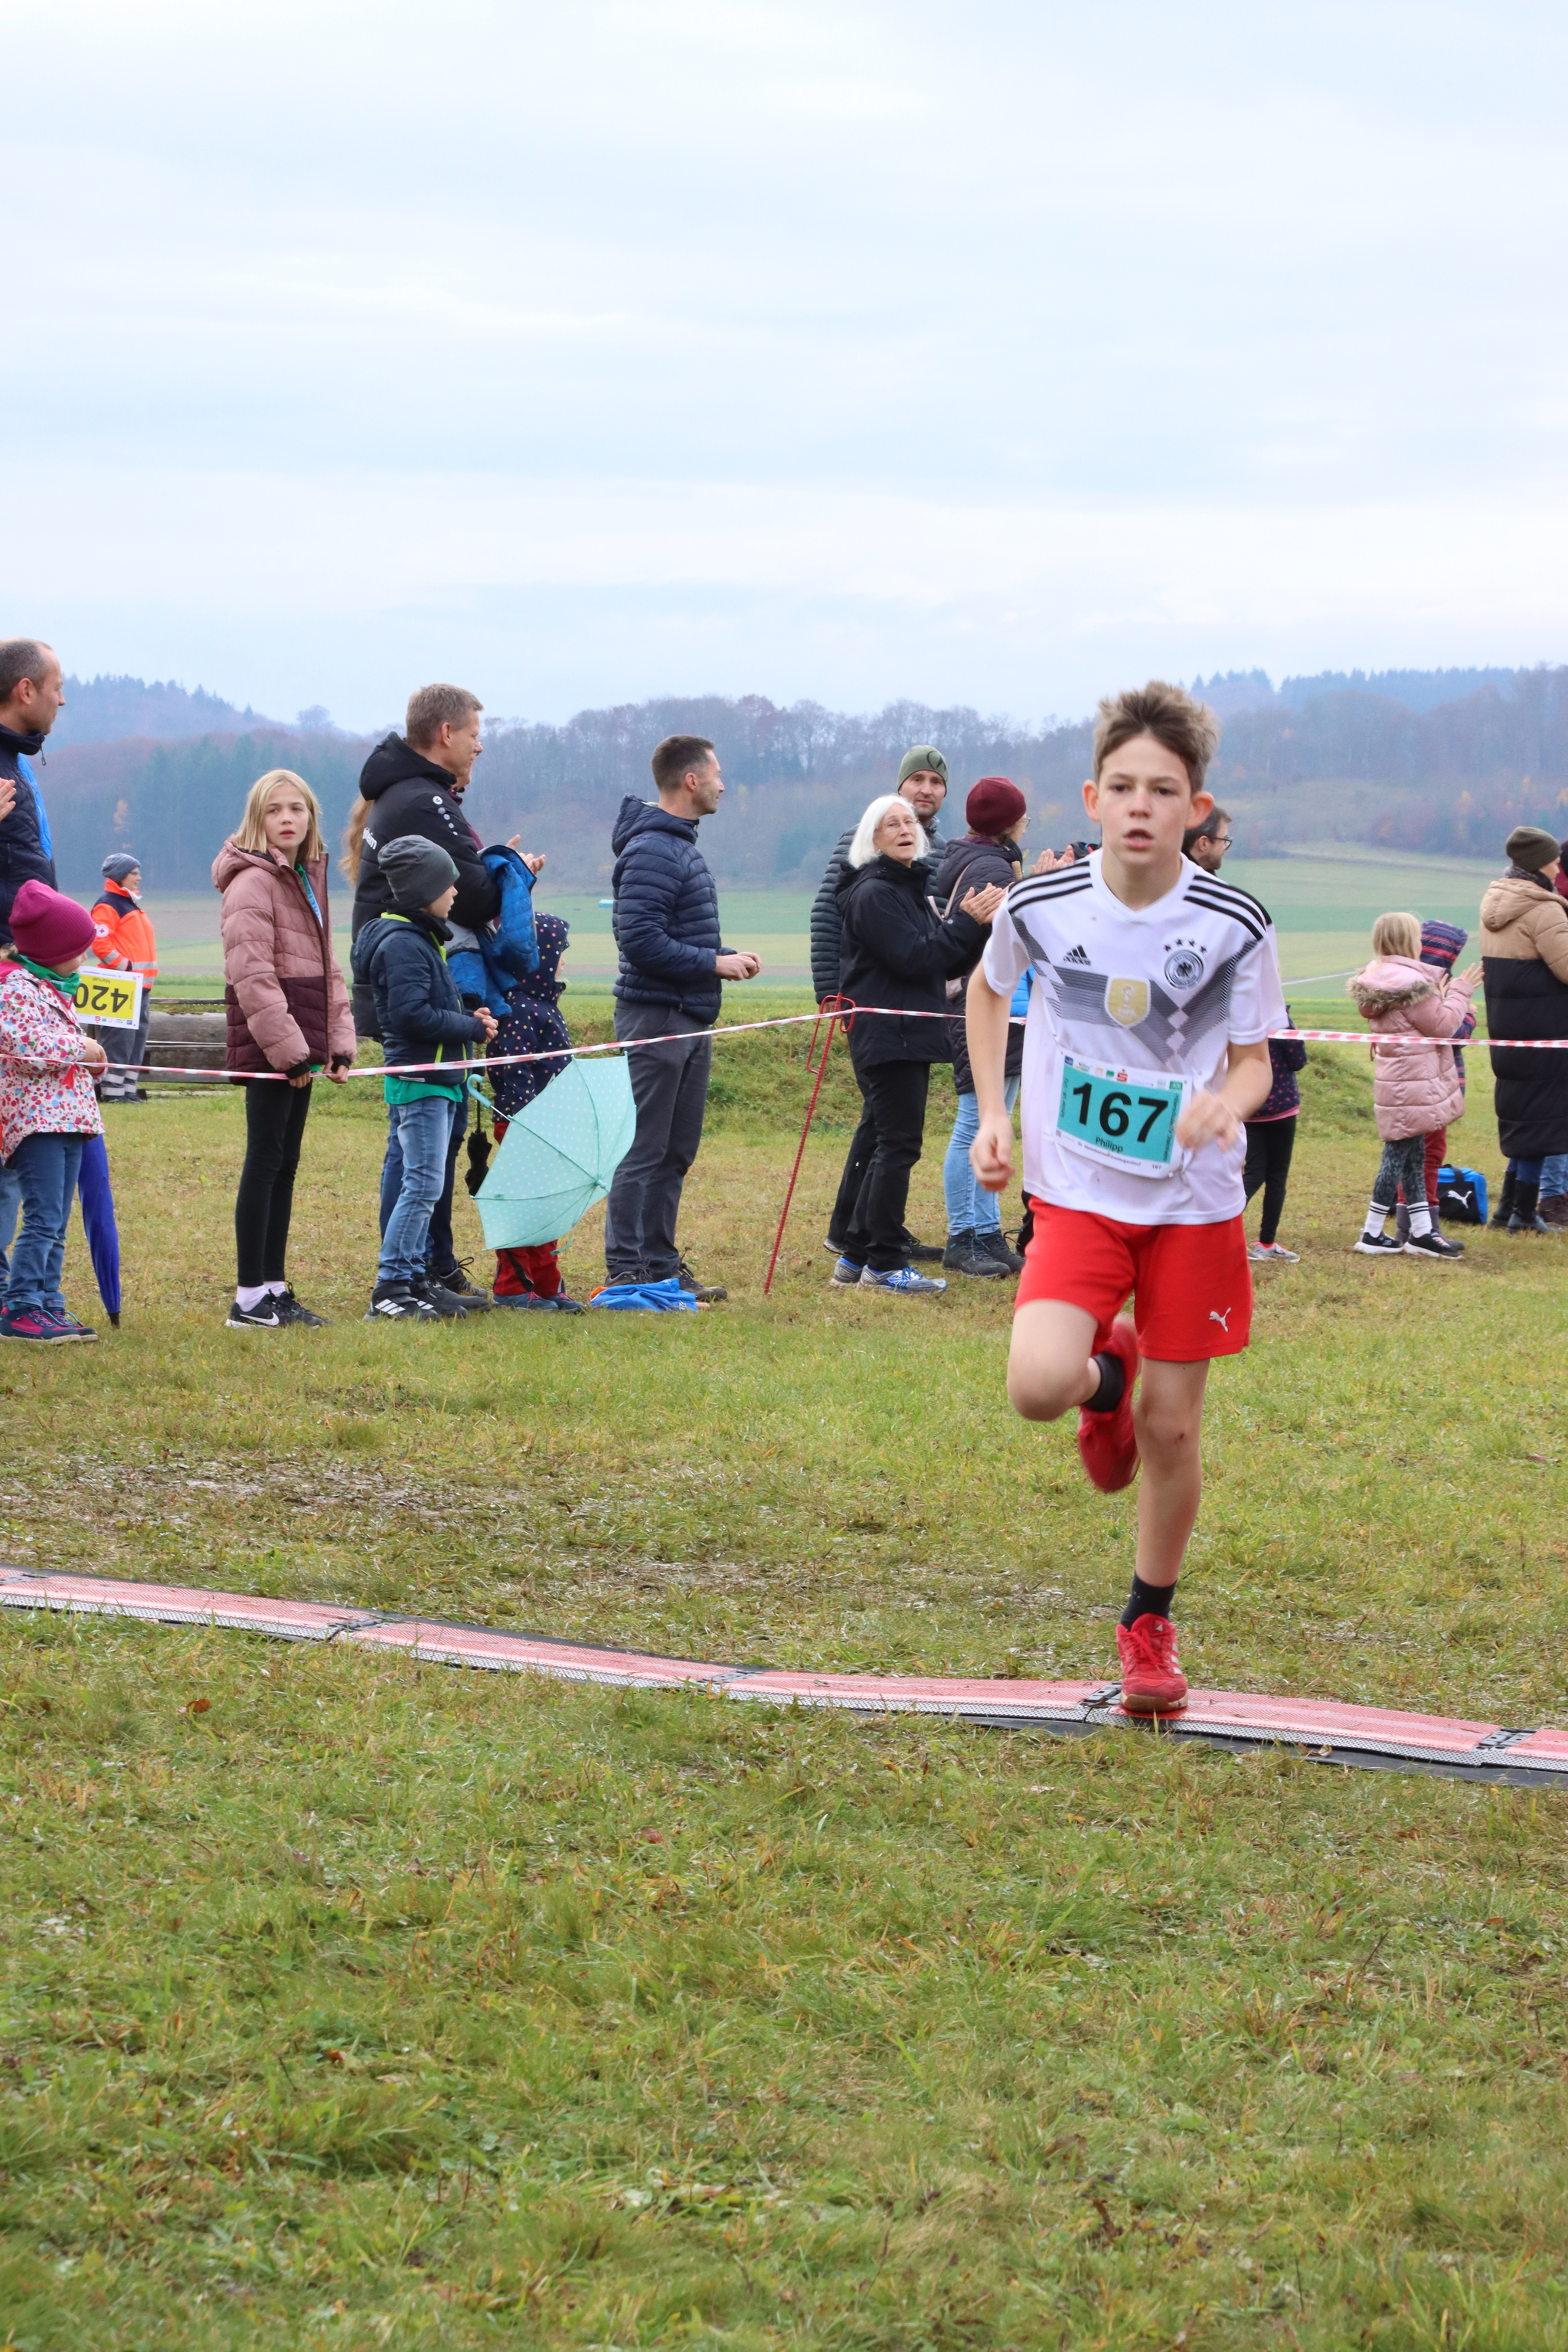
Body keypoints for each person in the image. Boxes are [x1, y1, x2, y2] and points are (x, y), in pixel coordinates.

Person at [965, 681, 1285, 1716]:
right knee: (1035, 1385)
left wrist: (1225, 1104)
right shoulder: (1040, 905)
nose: (1140, 805)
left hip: (1193, 1204)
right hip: (1079, 1192)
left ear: (1196, 806)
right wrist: (994, 1112)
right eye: (1122, 787)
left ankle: (1148, 1624)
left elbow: (1255, 1061)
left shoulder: (1234, 922)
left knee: (1172, 1432)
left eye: (1163, 789)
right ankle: (1107, 1379)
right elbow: (987, 990)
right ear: (1092, 797)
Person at [349, 683, 530, 1310]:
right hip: (414, 999)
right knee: (420, 1157)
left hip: (420, 987)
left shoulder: (411, 794)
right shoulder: (423, 799)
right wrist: (512, 876)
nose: (480, 746)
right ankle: (407, 1275)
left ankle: (426, 1267)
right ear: (445, 733)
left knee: (425, 1151)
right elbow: (474, 892)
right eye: (475, 734)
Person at [603, 735, 760, 1301]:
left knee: (675, 1151)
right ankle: (626, 1271)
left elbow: (671, 933)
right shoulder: (652, 849)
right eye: (716, 774)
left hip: (689, 1015)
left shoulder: (678, 846)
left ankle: (660, 1266)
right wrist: (714, 963)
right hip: (656, 1017)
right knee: (644, 1148)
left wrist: (722, 956)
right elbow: (640, 940)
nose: (723, 784)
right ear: (691, 780)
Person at [833, 795, 1002, 1294]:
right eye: (892, 824)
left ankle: (855, 1258)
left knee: (887, 1142)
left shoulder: (906, 888)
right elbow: (914, 958)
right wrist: (964, 923)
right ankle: (885, 1264)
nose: (906, 829)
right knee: (898, 1146)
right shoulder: (875, 893)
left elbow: (942, 963)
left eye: (910, 821)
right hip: (890, 1035)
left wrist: (974, 928)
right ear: (873, 838)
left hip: (905, 1034)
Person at [214, 769, 357, 1330]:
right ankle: (249, 1298)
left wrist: (337, 1043)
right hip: (272, 1045)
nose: (287, 819)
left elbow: (327, 969)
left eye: (296, 808)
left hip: (301, 1042)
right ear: (258, 819)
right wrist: (290, 1052)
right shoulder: (252, 883)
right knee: (265, 1161)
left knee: (285, 1166)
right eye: (274, 810)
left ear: (311, 816)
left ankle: (274, 1288)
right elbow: (252, 976)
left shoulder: (304, 878)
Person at [813, 746, 950, 1266]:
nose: (926, 790)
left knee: (883, 1123)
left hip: (911, 1001)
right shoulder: (865, 838)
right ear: (900, 786)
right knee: (888, 1129)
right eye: (917, 780)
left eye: (935, 782)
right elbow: (829, 915)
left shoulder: (933, 849)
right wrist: (831, 990)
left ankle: (861, 1233)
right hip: (874, 1002)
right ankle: (859, 1235)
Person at [351, 837, 498, 1321]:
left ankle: (416, 1281)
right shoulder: (403, 944)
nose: (455, 891)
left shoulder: (420, 938)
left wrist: (467, 1018)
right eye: (447, 883)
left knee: (425, 1184)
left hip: (440, 1078)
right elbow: (411, 1016)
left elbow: (427, 1006)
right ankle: (391, 1287)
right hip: (421, 1082)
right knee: (421, 1185)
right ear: (423, 890)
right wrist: (469, 1028)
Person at [0, 880, 109, 1343]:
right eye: (77, 949)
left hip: (69, 1120)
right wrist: (79, 1047)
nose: (83, 957)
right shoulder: (16, 989)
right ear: (51, 950)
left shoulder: (55, 989)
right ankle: (21, 1305)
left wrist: (93, 1062)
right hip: (36, 1123)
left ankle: (49, 1301)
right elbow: (24, 1046)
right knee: (42, 1217)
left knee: (58, 1221)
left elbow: (62, 1053)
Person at [934, 776, 1032, 1279]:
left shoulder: (967, 859)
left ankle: (987, 1232)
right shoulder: (993, 869)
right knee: (975, 1121)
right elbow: (1011, 938)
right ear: (1011, 824)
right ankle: (963, 1235)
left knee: (995, 1118)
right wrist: (1039, 892)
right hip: (987, 1009)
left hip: (1000, 1010)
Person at [1347, 913, 1477, 1260]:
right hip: (1415, 1082)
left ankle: (1421, 1232)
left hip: (1396, 1080)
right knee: (1396, 1157)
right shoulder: (1413, 985)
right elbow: (1445, 1027)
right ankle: (1372, 1231)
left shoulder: (1377, 979)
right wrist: (1460, 993)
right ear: (1408, 940)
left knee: (1413, 1157)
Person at [488, 913, 586, 1312]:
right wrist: (528, 1120)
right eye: (560, 952)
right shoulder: (517, 1007)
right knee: (524, 1205)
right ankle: (512, 1286)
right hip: (524, 1123)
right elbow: (513, 1068)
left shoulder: (542, 1005)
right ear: (539, 956)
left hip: (550, 1123)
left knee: (547, 1204)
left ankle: (546, 1284)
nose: (564, 960)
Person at [1479, 825, 1568, 1235]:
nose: (1558, 867)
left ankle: (1506, 1210)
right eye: (1553, 860)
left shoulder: (1497, 903)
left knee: (1524, 1116)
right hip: (1545, 1026)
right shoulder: (1544, 910)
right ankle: (1524, 1214)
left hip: (1509, 1026)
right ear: (1539, 863)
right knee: (1541, 1120)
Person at [1393, 920, 1477, 1241]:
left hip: (1412, 1082)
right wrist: (1468, 1012)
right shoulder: (1429, 989)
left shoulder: (1405, 983)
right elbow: (1452, 1034)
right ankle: (1424, 1229)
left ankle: (1412, 1225)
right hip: (1430, 1083)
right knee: (1429, 1154)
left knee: (1415, 1154)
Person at [0, 639, 63, 943]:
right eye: (56, 688)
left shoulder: (16, 759)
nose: (61, 700)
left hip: (23, 956)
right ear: (26, 691)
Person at [87, 854, 157, 1102]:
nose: (139, 877)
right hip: (122, 985)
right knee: (119, 1041)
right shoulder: (108, 905)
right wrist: (126, 968)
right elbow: (100, 943)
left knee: (135, 1042)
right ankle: (113, 1093)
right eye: (134, 873)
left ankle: (128, 1091)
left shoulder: (129, 903)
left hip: (140, 985)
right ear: (120, 876)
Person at [1242, 1005, 1306, 1261]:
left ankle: (1219, 1231)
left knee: (1253, 1172)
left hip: (1249, 1106)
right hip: (1282, 1108)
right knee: (1276, 1177)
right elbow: (1298, 1060)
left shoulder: (1240, 1015)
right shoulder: (1280, 1018)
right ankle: (1266, 1243)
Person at [1182, 805, 1231, 873]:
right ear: (1204, 844)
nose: (1226, 847)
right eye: (1225, 840)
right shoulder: (1188, 877)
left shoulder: (1173, 873)